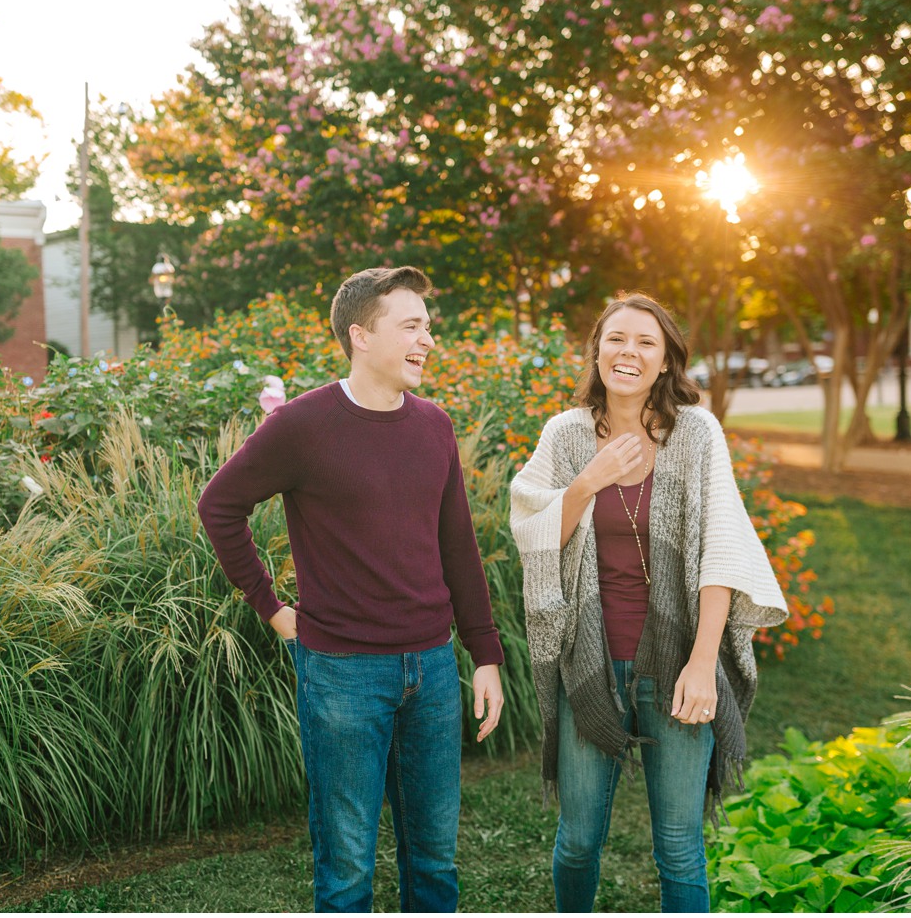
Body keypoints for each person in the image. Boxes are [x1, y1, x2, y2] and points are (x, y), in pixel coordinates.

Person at [197, 266, 505, 913]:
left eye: (429, 326)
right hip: (341, 673)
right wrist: (273, 608)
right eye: (412, 325)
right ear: (361, 335)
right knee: (346, 871)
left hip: (431, 667)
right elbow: (219, 505)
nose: (428, 339)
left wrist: (486, 655)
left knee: (435, 863)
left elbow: (458, 549)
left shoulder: (435, 426)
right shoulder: (303, 425)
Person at [508, 292, 787, 913]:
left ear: (665, 362)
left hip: (677, 666)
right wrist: (588, 481)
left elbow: (723, 549)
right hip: (589, 665)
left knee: (681, 847)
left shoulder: (696, 434)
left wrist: (702, 661)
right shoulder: (566, 433)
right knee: (579, 842)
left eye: (645, 343)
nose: (627, 352)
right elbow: (532, 531)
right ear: (597, 351)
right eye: (616, 339)